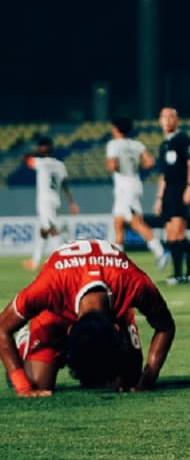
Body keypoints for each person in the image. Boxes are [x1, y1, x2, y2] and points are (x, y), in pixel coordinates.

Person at [0, 239, 175, 397]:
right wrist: (22, 386)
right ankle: (25, 341)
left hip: (112, 307)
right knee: (37, 384)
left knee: (129, 381)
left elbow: (166, 326)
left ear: (117, 329)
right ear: (68, 331)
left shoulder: (133, 283)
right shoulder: (50, 285)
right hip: (55, 312)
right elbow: (2, 328)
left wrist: (148, 379)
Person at [107, 117, 166, 263]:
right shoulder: (137, 144)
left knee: (135, 223)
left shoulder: (113, 145)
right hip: (134, 182)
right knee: (118, 223)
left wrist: (122, 168)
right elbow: (150, 162)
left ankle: (159, 251)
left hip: (124, 185)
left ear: (116, 128)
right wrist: (135, 167)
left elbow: (112, 166)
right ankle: (117, 261)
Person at [155, 107, 190, 284]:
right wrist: (159, 198)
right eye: (163, 117)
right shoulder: (164, 144)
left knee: (177, 231)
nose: (167, 120)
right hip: (168, 193)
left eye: (170, 117)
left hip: (181, 188)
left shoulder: (185, 140)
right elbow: (163, 175)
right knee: (171, 233)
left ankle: (180, 274)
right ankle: (188, 272)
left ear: (177, 120)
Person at [21, 138, 78, 271]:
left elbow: (24, 159)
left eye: (41, 146)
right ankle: (35, 261)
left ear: (43, 148)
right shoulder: (60, 165)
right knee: (44, 230)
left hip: (45, 200)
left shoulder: (40, 163)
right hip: (56, 200)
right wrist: (72, 203)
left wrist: (35, 150)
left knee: (51, 229)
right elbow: (65, 185)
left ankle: (66, 259)